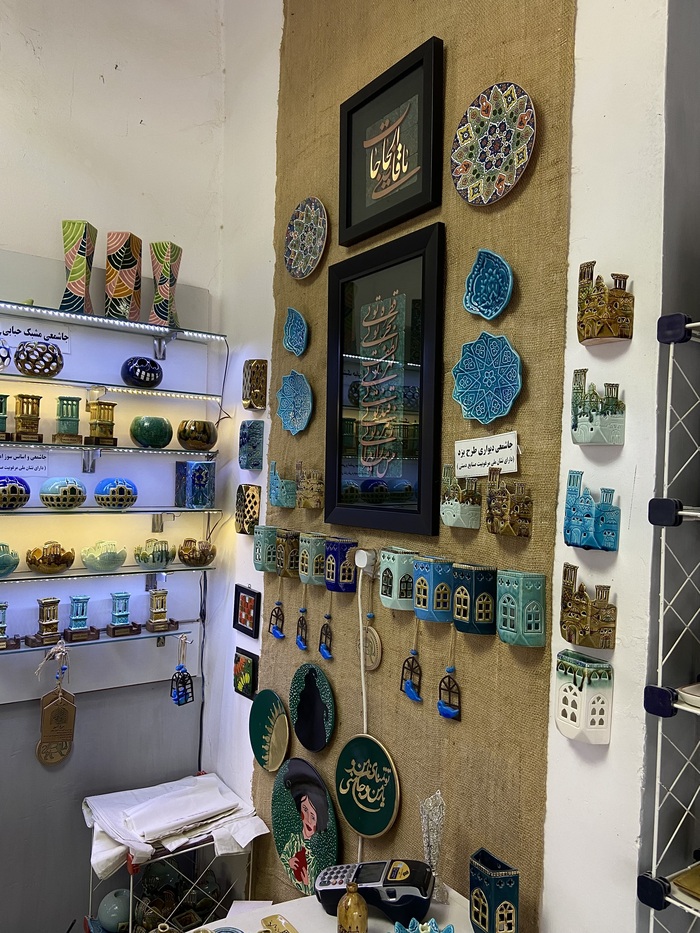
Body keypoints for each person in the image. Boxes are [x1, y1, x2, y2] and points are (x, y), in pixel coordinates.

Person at [280, 760, 329, 894]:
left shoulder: (318, 849)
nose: (307, 818)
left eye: (312, 816)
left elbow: (316, 881)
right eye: (305, 809)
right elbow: (284, 857)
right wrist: (290, 862)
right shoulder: (294, 841)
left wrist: (308, 882)